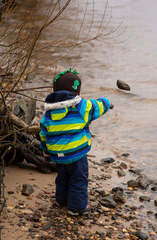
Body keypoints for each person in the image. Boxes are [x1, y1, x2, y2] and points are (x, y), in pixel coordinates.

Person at [39, 68, 113, 216]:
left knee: (63, 177)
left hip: (58, 155)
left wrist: (46, 151)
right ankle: (76, 207)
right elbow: (97, 106)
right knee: (78, 179)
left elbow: (43, 133)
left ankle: (61, 200)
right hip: (77, 155)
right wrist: (107, 102)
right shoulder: (81, 107)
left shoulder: (49, 112)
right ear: (77, 91)